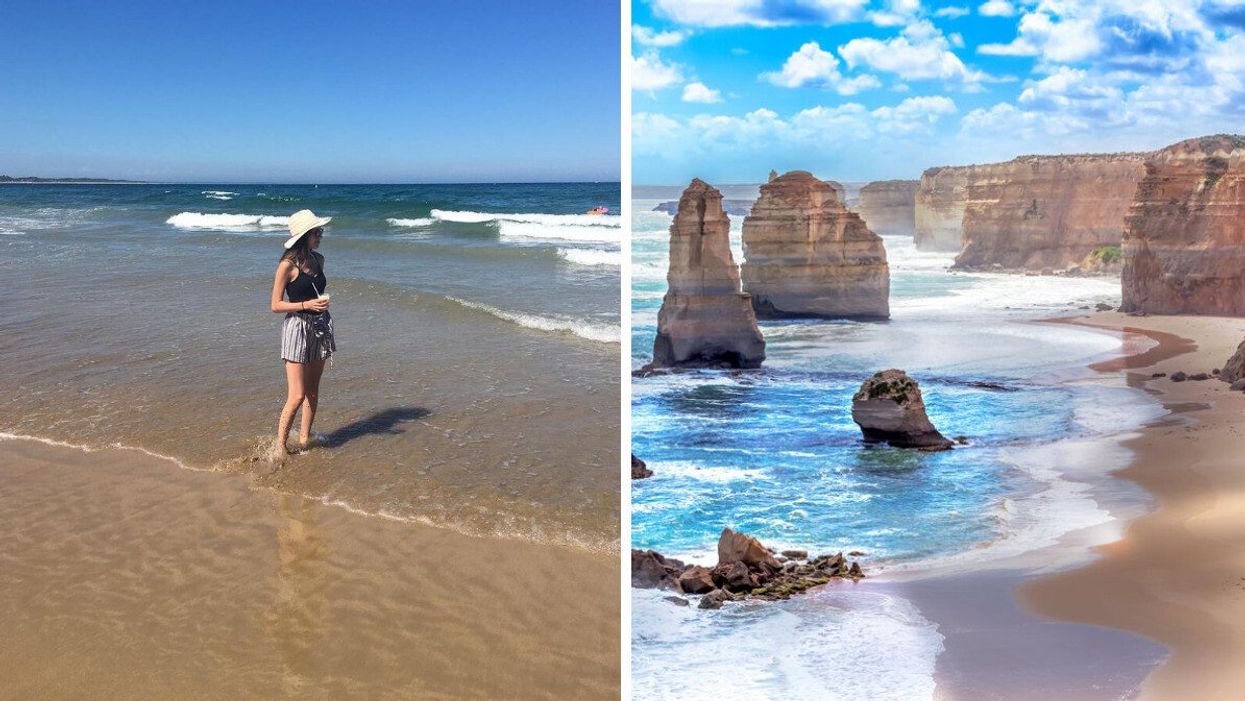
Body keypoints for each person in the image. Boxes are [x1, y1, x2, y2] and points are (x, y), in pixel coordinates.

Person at [271, 209, 336, 456]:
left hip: (320, 326)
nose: (320, 235)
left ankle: (304, 440)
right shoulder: (287, 265)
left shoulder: (319, 260)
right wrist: (305, 305)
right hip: (296, 327)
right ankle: (279, 448)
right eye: (316, 232)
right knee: (297, 395)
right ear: (304, 236)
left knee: (312, 391)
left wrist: (319, 306)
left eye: (320, 231)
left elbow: (316, 292)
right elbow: (275, 304)